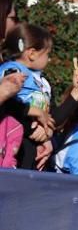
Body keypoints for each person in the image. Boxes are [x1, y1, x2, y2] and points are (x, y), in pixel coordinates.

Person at [0, 23, 56, 170]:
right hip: (13, 142)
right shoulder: (13, 71)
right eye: (47, 54)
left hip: (31, 144)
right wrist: (36, 112)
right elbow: (8, 104)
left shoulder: (40, 80)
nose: (49, 59)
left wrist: (46, 131)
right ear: (31, 53)